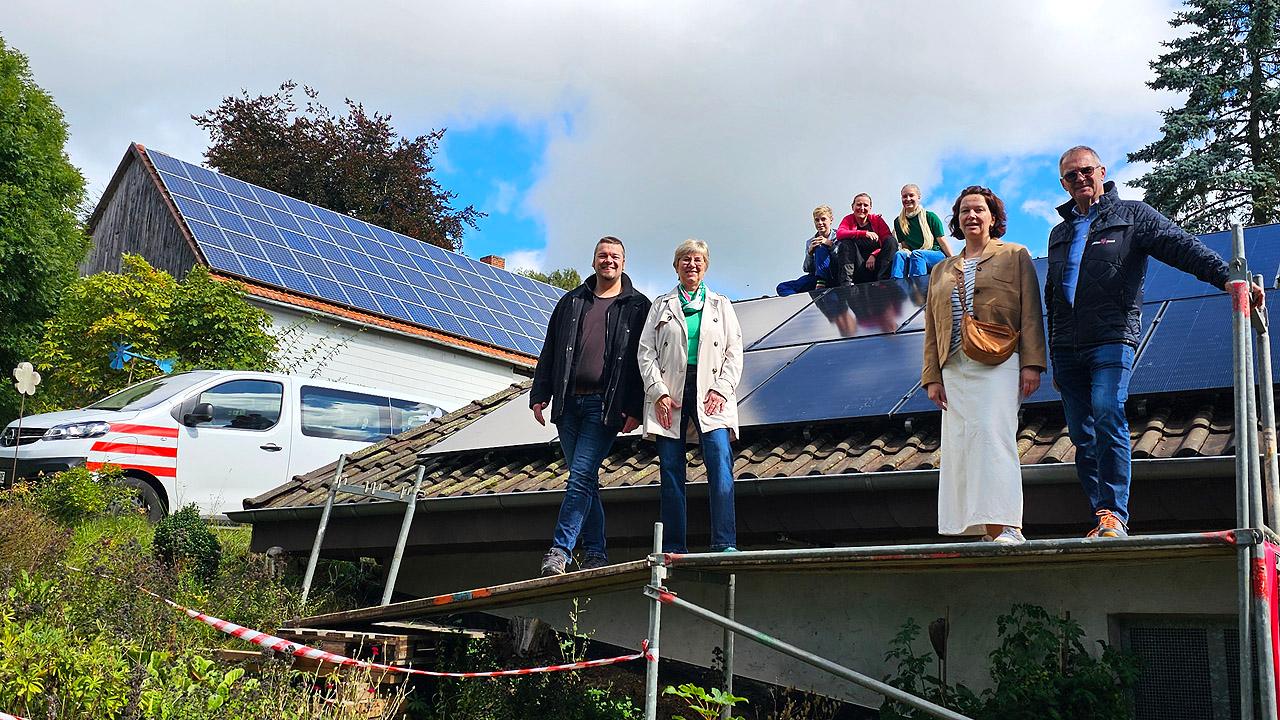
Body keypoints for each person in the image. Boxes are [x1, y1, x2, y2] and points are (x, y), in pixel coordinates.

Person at [1046, 146, 1264, 539]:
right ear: (1064, 184)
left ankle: (1115, 513)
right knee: (1081, 434)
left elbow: (1182, 247)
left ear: (1101, 171)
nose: (1080, 179)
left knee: (1107, 410)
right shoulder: (1059, 233)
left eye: (1086, 171)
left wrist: (1228, 277)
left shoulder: (1133, 216)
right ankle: (1102, 515)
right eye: (1071, 176)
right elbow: (1053, 295)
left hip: (1112, 336)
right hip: (1066, 348)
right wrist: (1053, 351)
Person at [922, 186, 1046, 544]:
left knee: (993, 437)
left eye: (979, 210)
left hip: (999, 360)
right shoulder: (941, 269)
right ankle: (982, 528)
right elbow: (931, 326)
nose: (971, 216)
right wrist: (932, 376)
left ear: (993, 217)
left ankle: (1008, 525)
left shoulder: (1015, 255)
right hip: (953, 365)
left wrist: (1032, 363)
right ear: (957, 220)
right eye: (965, 211)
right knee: (961, 444)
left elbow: (1031, 311)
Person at [531, 236, 651, 576]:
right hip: (568, 403)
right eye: (602, 255)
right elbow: (551, 348)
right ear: (594, 261)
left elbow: (642, 361)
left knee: (580, 476)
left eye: (615, 256)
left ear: (624, 263)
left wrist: (635, 407)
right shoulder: (571, 302)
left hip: (605, 405)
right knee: (584, 481)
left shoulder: (638, 306)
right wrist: (539, 393)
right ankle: (596, 552)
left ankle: (560, 551)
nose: (608, 260)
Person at [638, 239, 743, 553]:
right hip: (670, 392)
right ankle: (674, 546)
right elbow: (646, 352)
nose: (691, 265)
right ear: (676, 266)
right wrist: (658, 392)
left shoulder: (721, 304)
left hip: (711, 390)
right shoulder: (661, 305)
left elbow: (734, 351)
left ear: (705, 266)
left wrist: (722, 388)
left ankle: (724, 542)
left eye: (698, 260)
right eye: (685, 259)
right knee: (671, 469)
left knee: (720, 461)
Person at [835, 193, 897, 284]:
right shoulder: (848, 219)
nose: (862, 208)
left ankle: (885, 281)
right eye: (859, 205)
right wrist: (863, 233)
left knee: (891, 240)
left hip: (877, 266)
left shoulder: (877, 220)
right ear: (852, 207)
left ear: (870, 208)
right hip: (857, 267)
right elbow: (840, 234)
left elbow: (888, 242)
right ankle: (846, 283)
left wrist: (874, 255)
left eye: (865, 205)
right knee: (845, 243)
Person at [891, 184, 951, 278]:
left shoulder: (930, 217)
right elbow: (905, 246)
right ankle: (896, 285)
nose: (908, 199)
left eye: (911, 195)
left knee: (917, 254)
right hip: (914, 256)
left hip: (936, 255)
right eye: (904, 196)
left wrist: (953, 260)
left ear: (918, 197)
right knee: (900, 254)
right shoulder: (898, 222)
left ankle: (918, 285)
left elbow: (942, 242)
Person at [776, 205, 838, 296]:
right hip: (816, 279)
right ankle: (799, 302)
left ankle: (822, 283)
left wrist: (831, 245)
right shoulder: (810, 241)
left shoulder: (839, 236)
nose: (820, 223)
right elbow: (807, 269)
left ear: (831, 219)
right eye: (817, 220)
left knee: (820, 248)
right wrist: (810, 253)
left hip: (835, 275)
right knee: (782, 287)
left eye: (823, 219)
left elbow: (844, 261)